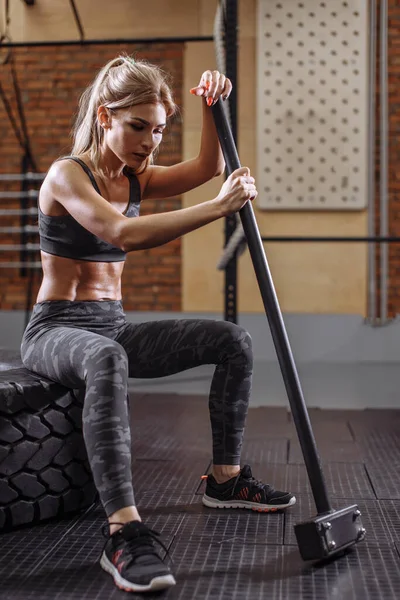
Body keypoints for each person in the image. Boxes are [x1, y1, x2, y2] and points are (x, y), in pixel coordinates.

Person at [20, 55, 296, 593]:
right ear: (105, 116)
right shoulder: (66, 174)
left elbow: (206, 169)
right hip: (54, 330)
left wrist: (214, 107)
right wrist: (218, 210)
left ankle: (226, 479)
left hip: (112, 325)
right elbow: (123, 234)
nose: (150, 141)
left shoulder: (136, 177)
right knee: (106, 357)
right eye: (138, 127)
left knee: (232, 341)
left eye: (160, 130)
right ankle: (123, 530)